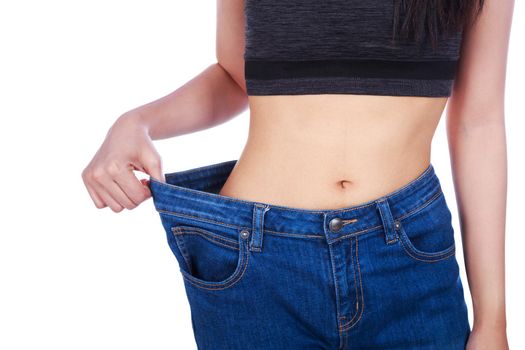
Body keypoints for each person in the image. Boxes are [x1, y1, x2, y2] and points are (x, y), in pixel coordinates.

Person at [81, 0, 513, 349]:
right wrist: (136, 123)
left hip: (408, 261)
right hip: (257, 260)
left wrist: (493, 320)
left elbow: (479, 123)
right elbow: (236, 76)